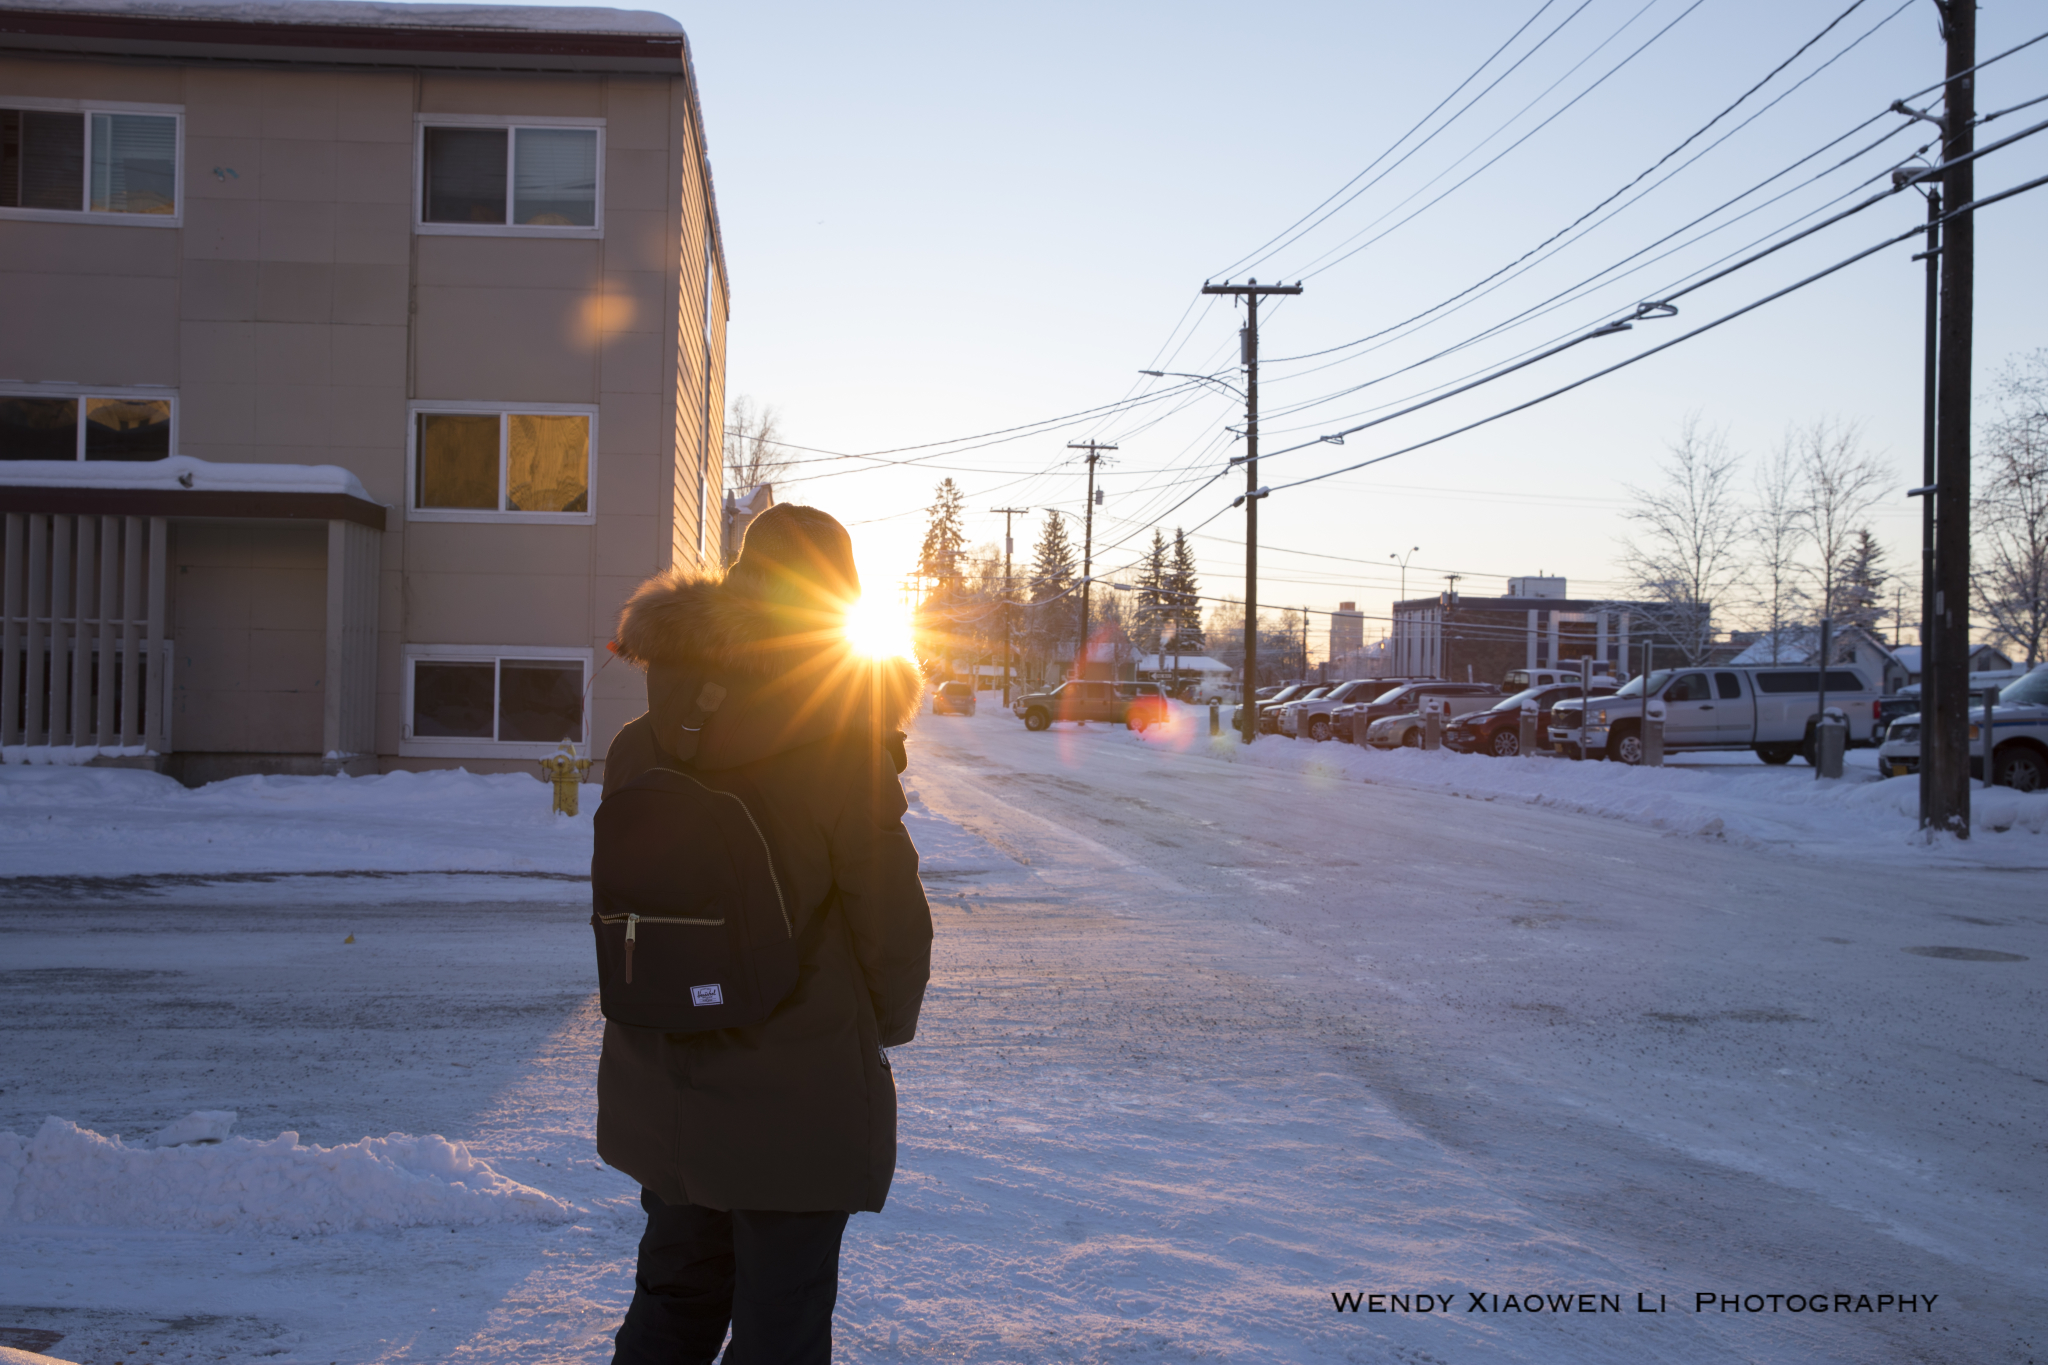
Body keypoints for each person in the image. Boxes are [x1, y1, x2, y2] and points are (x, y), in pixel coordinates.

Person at [599, 504, 931, 1364]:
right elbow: (889, 919)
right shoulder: (839, 741)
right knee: (780, 1325)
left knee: (672, 1299)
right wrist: (881, 1024)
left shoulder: (641, 742)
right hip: (800, 1083)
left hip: (667, 1075)